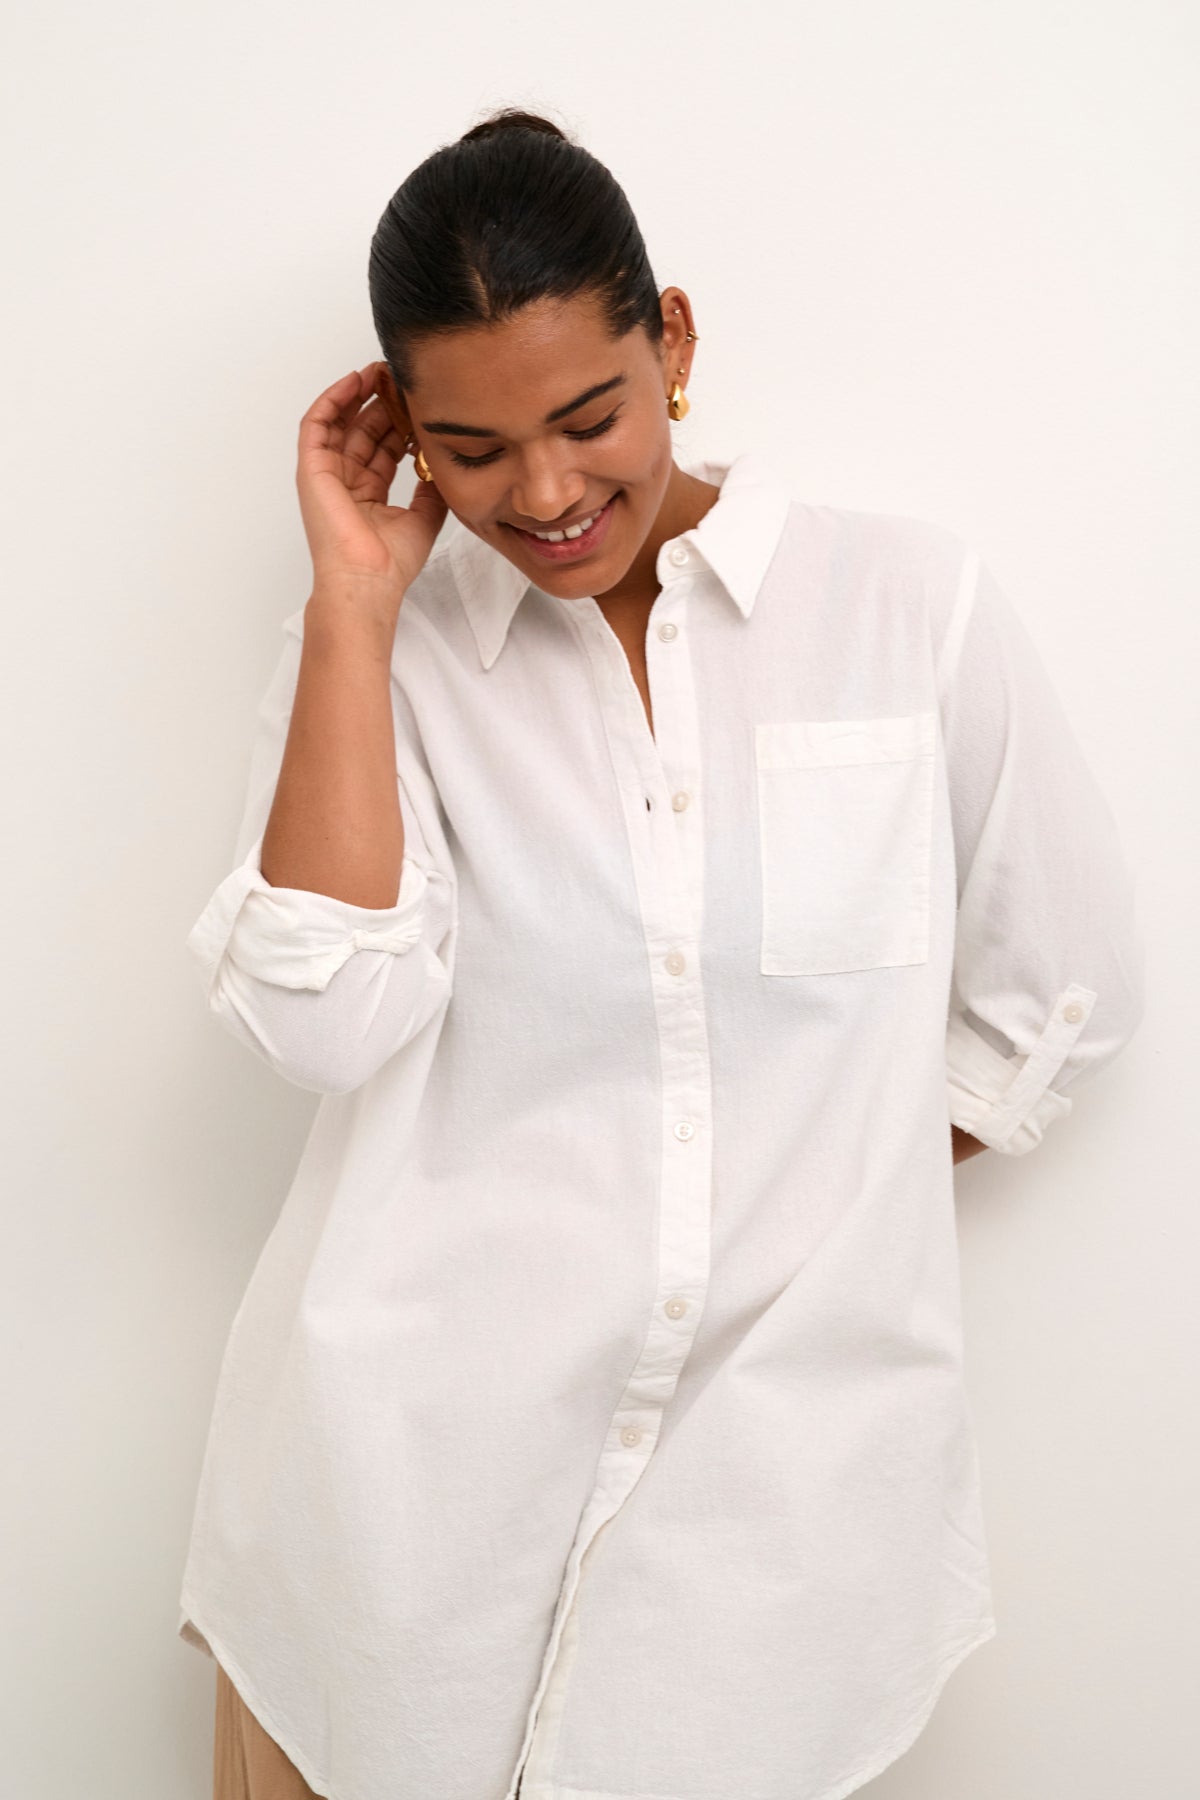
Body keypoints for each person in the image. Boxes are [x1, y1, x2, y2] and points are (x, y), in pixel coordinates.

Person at [179, 107, 1146, 1800]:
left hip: (768, 1550)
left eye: (589, 418)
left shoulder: (905, 611)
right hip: (399, 1536)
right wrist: (351, 607)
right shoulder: (386, 657)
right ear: (407, 434)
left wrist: (794, 1181)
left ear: (673, 343)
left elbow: (1056, 994)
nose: (547, 495)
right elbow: (324, 1027)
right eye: (472, 450)